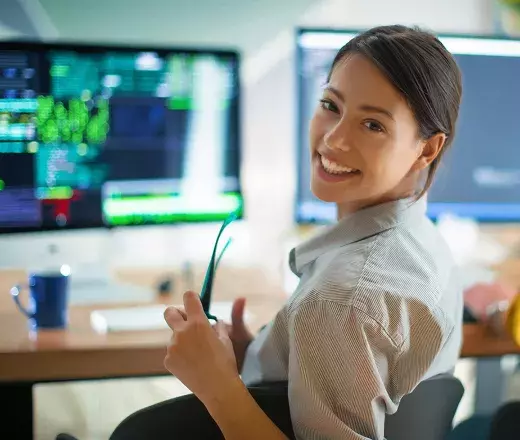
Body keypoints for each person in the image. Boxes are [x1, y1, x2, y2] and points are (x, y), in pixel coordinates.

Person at [162, 24, 464, 440]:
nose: (334, 139)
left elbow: (346, 313)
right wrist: (265, 360)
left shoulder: (344, 297)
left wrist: (217, 387)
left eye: (373, 125)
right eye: (330, 105)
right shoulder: (425, 245)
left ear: (427, 149)